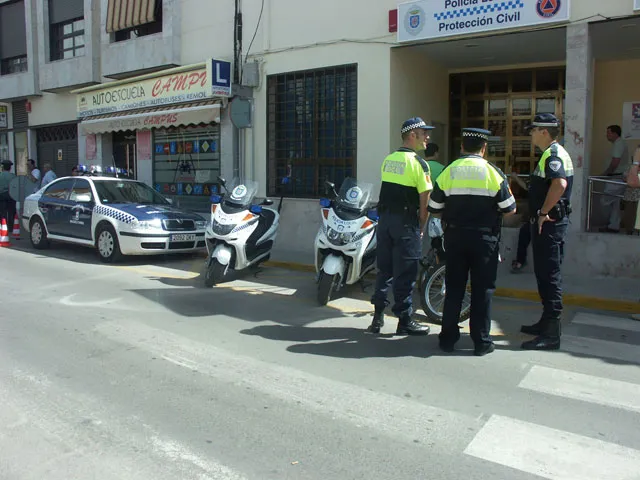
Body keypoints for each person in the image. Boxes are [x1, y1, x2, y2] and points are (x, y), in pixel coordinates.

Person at [428, 128, 516, 356]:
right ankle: (481, 342)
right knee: (482, 290)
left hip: (455, 238)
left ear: (462, 147)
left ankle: (447, 339)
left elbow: (434, 208)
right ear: (484, 148)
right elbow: (510, 209)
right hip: (485, 240)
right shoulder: (493, 173)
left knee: (454, 288)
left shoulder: (449, 171)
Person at [366, 117, 434, 336]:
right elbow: (425, 199)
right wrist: (421, 225)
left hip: (385, 221)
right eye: (424, 133)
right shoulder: (418, 163)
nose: (427, 137)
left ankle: (377, 318)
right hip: (406, 224)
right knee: (405, 272)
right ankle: (404, 320)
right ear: (412, 135)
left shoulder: (389, 159)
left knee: (384, 270)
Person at [520, 113, 574, 351]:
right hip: (548, 224)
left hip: (549, 224)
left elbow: (559, 184)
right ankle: (545, 322)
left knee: (550, 276)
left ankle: (551, 334)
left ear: (543, 132)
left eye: (533, 130)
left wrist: (543, 212)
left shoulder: (553, 155)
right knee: (544, 274)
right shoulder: (551, 154)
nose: (531, 134)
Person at [599, 125, 629, 233]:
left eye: (609, 133)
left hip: (616, 177)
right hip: (618, 177)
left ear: (615, 133)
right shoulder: (619, 143)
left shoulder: (618, 144)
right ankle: (614, 225)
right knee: (615, 202)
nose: (607, 135)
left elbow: (615, 162)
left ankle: (608, 222)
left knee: (605, 201)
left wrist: (607, 173)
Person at [510, 170, 531, 273]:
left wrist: (516, 178)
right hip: (534, 218)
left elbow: (528, 187)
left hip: (546, 218)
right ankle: (520, 261)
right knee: (524, 234)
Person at [0, 160, 17, 225]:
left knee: (2, 211)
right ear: (10, 168)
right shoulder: (13, 176)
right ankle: (11, 226)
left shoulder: (0, 175)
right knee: (11, 211)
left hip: (1, 195)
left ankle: (3, 225)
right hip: (11, 195)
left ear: (3, 167)